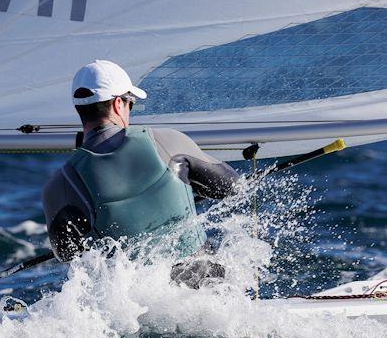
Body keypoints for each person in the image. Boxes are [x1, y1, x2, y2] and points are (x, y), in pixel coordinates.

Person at [42, 60, 239, 285]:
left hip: (134, 304)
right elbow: (231, 186)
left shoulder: (59, 186)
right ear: (118, 104)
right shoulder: (168, 142)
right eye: (130, 104)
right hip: (206, 289)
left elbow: (68, 255)